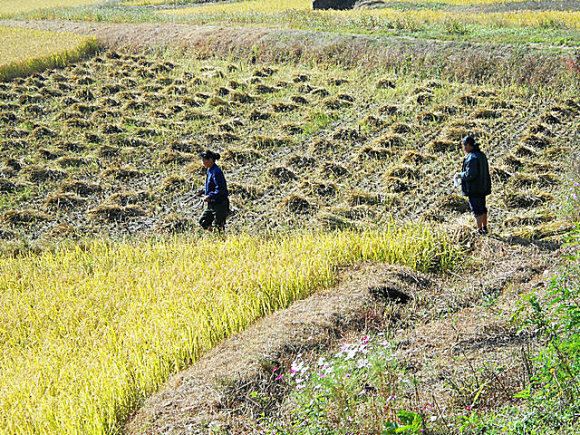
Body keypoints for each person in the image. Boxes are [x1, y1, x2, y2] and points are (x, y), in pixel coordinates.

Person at [455, 136, 491, 235]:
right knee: (483, 208)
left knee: (477, 210)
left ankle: (480, 231)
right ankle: (485, 227)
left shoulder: (471, 158)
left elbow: (470, 175)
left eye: (464, 145)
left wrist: (459, 175)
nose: (464, 148)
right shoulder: (481, 155)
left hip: (474, 189)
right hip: (483, 187)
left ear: (469, 145)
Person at [198, 150, 229, 232]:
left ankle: (219, 239)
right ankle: (214, 235)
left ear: (211, 159)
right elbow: (212, 186)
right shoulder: (209, 170)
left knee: (219, 226)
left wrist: (210, 196)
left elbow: (221, 189)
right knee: (203, 221)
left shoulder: (216, 171)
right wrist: (204, 191)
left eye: (205, 160)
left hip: (220, 204)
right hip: (212, 204)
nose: (203, 162)